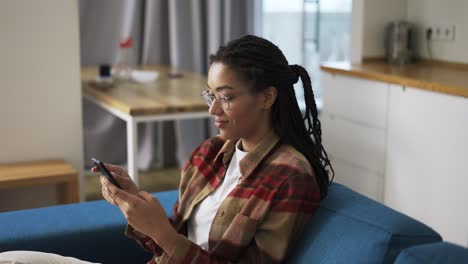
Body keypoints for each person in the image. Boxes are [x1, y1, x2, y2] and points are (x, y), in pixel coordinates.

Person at [0, 35, 333, 263]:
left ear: (267, 97)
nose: (213, 110)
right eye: (210, 95)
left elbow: (174, 244)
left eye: (227, 97)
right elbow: (174, 243)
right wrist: (139, 208)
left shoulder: (290, 177)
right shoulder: (209, 155)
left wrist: (161, 231)